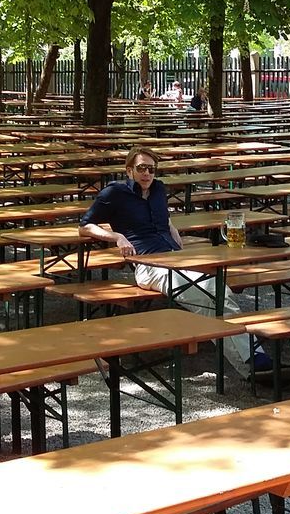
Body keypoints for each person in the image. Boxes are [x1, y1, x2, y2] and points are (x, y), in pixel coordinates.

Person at [78, 146, 270, 380]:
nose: (147, 173)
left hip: (176, 258)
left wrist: (176, 239)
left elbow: (165, 220)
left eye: (151, 169)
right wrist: (117, 237)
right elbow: (84, 226)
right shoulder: (114, 193)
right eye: (141, 168)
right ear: (129, 171)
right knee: (207, 296)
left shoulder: (159, 189)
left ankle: (254, 358)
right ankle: (253, 363)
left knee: (219, 290)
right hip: (148, 265)